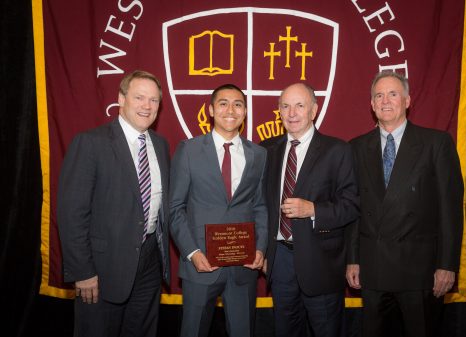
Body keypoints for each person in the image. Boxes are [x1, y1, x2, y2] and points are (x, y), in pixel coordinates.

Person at [346, 71, 464, 337]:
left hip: (420, 271)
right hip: (373, 269)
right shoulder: (355, 147)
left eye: (393, 94)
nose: (385, 101)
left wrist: (447, 265)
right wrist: (353, 259)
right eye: (379, 95)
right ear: (372, 104)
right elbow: (355, 210)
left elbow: (450, 209)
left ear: (408, 100)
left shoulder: (436, 143)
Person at [57, 70, 171, 337]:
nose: (147, 106)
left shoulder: (161, 145)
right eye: (139, 97)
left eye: (153, 100)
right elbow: (72, 214)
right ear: (121, 99)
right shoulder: (90, 143)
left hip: (149, 265)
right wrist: (83, 271)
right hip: (101, 269)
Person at [260, 83, 360, 337]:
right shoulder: (266, 150)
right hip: (280, 260)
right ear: (279, 112)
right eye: (285, 106)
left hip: (322, 263)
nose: (292, 112)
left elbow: (351, 206)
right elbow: (259, 206)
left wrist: (314, 209)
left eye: (300, 105)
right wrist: (261, 249)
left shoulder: (337, 150)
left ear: (313, 110)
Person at [169, 84, 268, 337]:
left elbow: (259, 206)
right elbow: (175, 208)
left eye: (238, 104)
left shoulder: (259, 155)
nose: (230, 110)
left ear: (245, 111)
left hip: (243, 267)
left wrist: (261, 248)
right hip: (200, 265)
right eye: (223, 103)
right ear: (211, 110)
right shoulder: (188, 150)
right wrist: (191, 252)